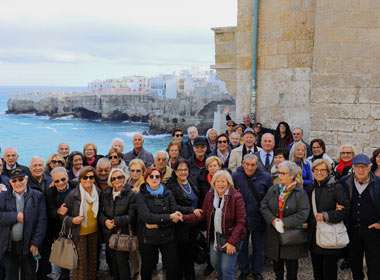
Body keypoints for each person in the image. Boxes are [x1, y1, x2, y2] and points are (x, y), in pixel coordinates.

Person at [183, 170, 247, 280]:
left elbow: (241, 222)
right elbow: (203, 214)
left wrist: (232, 242)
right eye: (217, 181)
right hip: (215, 238)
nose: (220, 184)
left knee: (227, 269)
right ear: (213, 183)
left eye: (223, 181)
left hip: (231, 238)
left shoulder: (236, 197)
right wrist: (183, 217)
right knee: (215, 264)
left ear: (228, 183)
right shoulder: (210, 195)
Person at [135, 167, 195, 280]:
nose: (154, 178)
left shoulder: (167, 193)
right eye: (151, 176)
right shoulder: (140, 195)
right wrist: (169, 217)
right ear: (146, 178)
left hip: (167, 236)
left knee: (172, 267)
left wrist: (191, 210)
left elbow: (174, 209)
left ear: (161, 178)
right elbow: (147, 217)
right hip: (148, 238)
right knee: (147, 267)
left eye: (157, 176)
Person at [260, 161, 310, 280]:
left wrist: (283, 222)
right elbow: (263, 205)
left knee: (292, 270)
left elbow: (303, 213)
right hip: (274, 235)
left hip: (291, 236)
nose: (279, 176)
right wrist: (273, 220)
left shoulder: (300, 192)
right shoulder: (274, 189)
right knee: (277, 268)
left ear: (292, 175)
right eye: (279, 173)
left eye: (283, 173)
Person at [0, 168, 47, 280]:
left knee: (30, 274)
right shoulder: (2, 197)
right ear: (10, 182)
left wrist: (36, 243)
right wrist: (15, 216)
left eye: (20, 179)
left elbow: (42, 221)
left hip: (29, 245)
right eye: (14, 180)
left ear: (26, 179)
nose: (18, 183)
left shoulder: (37, 196)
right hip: (8, 245)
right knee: (11, 276)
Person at [339, 154, 380, 280]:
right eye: (358, 167)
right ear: (353, 168)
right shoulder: (344, 182)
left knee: (375, 266)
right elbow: (336, 198)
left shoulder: (378, 183)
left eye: (364, 167)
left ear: (370, 167)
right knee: (355, 264)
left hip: (373, 231)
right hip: (352, 230)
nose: (361, 170)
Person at [232, 154, 272, 280]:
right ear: (243, 164)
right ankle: (244, 270)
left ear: (257, 164)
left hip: (259, 217)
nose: (249, 167)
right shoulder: (235, 176)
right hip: (241, 218)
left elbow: (269, 198)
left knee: (258, 246)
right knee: (242, 246)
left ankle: (257, 271)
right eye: (247, 164)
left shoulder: (266, 177)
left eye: (253, 165)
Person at [308, 159, 349, 280]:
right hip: (314, 236)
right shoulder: (311, 188)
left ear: (328, 172)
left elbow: (345, 210)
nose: (319, 172)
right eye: (316, 170)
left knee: (329, 272)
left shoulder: (336, 187)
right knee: (317, 271)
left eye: (322, 170)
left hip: (330, 236)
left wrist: (327, 215)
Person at [99, 168, 136, 280]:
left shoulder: (131, 194)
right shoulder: (105, 193)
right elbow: (100, 212)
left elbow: (132, 216)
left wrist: (115, 221)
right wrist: (105, 221)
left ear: (124, 178)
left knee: (122, 263)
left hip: (122, 234)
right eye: (114, 178)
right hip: (108, 233)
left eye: (120, 177)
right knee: (112, 263)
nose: (117, 180)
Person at [64, 166, 100, 280]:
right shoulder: (72, 195)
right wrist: (72, 220)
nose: (88, 180)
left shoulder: (98, 192)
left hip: (94, 233)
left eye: (91, 177)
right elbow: (63, 216)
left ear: (94, 179)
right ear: (80, 179)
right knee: (80, 264)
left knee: (93, 261)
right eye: (85, 177)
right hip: (79, 234)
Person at [166, 159, 200, 280]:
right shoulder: (170, 186)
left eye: (185, 169)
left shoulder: (191, 181)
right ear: (175, 171)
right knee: (181, 256)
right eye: (180, 170)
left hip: (193, 225)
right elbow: (173, 206)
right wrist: (191, 210)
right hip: (180, 227)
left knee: (190, 255)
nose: (183, 172)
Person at [45, 167, 73, 280]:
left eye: (63, 179)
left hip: (76, 227)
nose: (60, 183)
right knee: (64, 262)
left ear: (67, 177)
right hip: (60, 231)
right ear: (53, 181)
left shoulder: (75, 186)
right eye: (57, 181)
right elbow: (49, 212)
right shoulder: (49, 192)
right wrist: (58, 211)